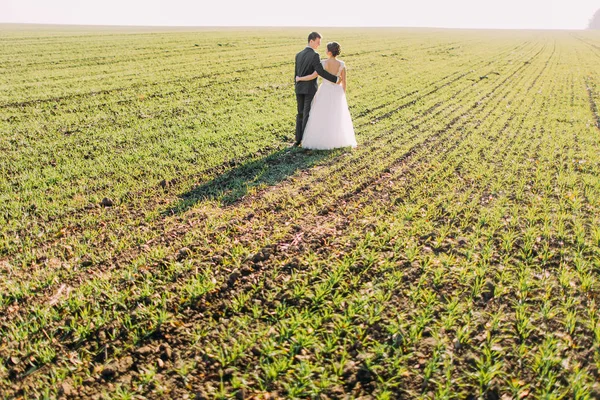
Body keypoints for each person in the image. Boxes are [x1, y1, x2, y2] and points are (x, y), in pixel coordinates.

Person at [295, 41, 357, 150]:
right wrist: (342, 94)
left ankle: (319, 139)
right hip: (337, 92)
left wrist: (300, 78)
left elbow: (312, 76)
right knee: (336, 116)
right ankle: (336, 140)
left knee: (321, 114)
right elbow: (344, 82)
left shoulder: (323, 63)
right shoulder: (342, 64)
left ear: (329, 52)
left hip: (324, 90)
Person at [294, 32, 341, 147]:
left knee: (300, 113)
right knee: (307, 113)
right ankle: (305, 139)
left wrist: (296, 83)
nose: (319, 45)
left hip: (299, 87)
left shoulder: (298, 54)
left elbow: (296, 73)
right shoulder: (315, 55)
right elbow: (320, 71)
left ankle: (298, 139)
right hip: (309, 88)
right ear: (311, 41)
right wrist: (335, 79)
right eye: (318, 42)